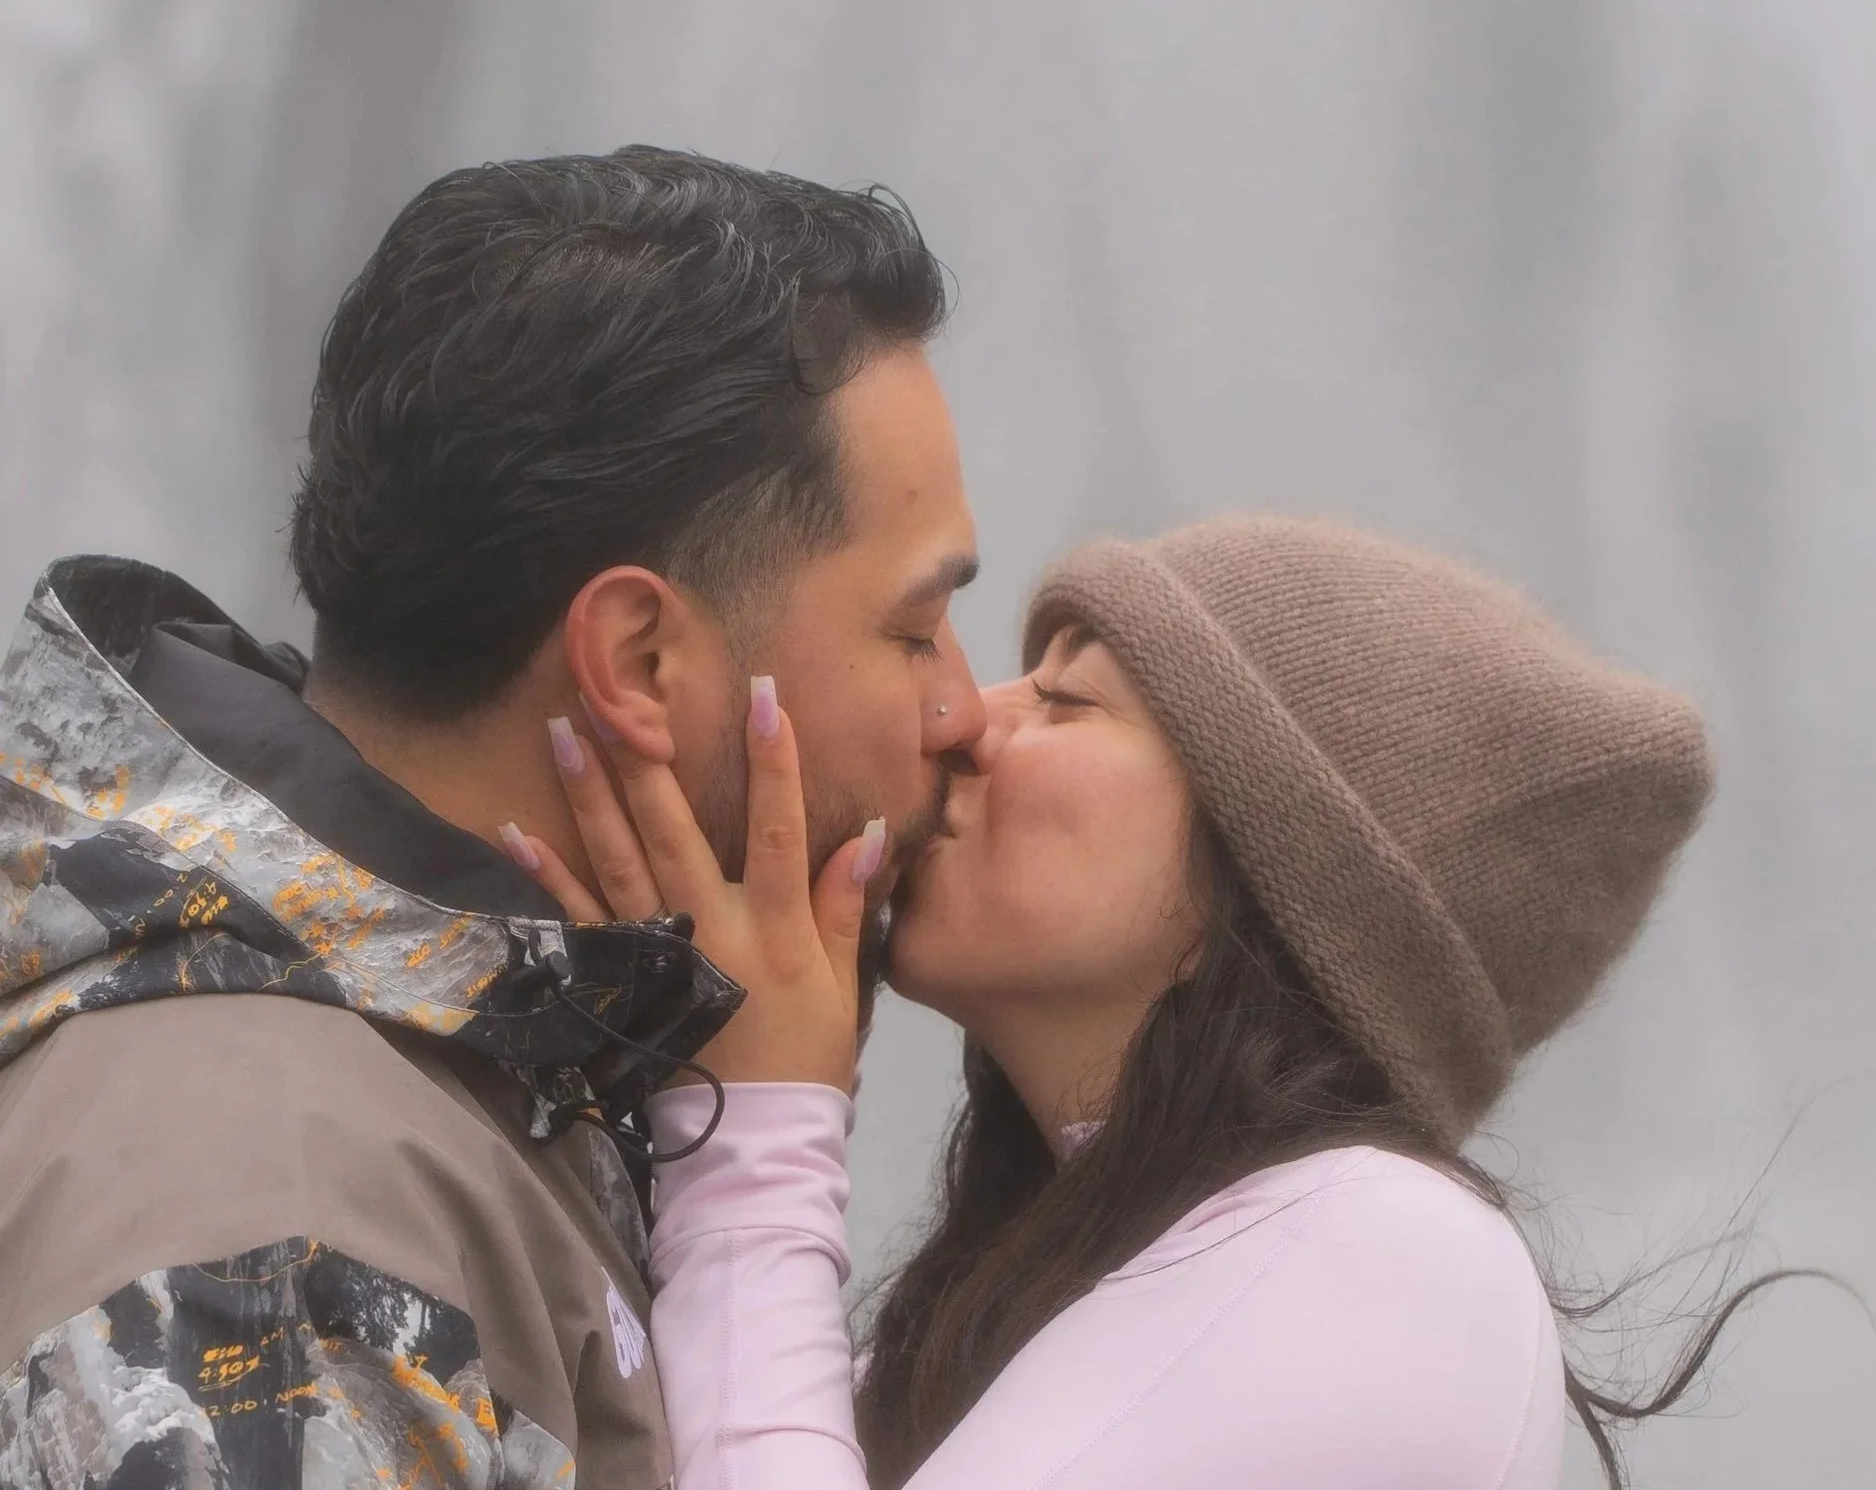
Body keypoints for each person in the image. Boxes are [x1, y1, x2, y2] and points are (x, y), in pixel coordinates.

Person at [0, 146, 984, 1488]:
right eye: (917, 629)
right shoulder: (278, 1236)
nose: (968, 712)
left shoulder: (472, 1065)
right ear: (638, 664)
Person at [523, 513, 1788, 1490]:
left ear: (1272, 876)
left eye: (1067, 698)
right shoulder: (1065, 1285)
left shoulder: (1387, 1249)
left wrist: (756, 1143)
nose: (962, 718)